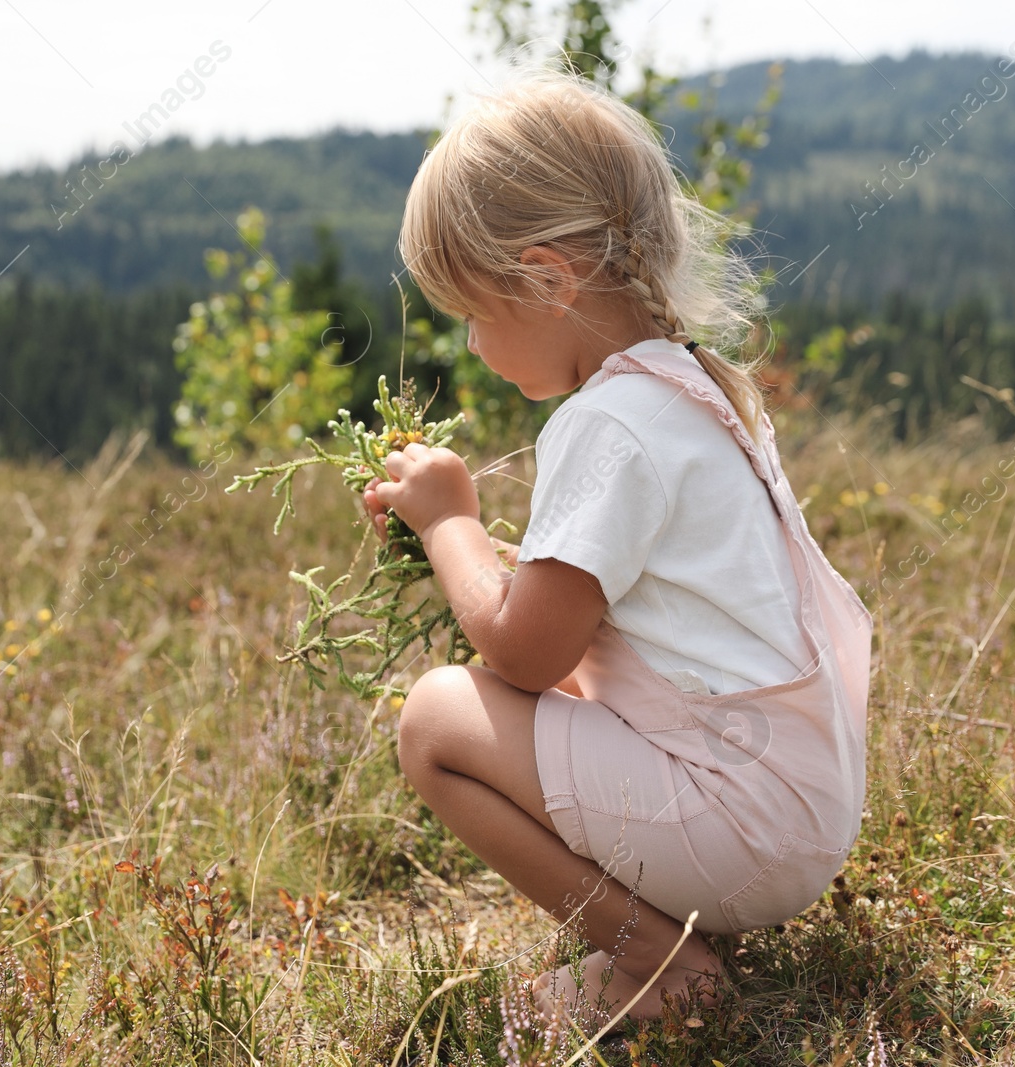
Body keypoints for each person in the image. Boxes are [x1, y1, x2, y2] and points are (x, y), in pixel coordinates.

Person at [364, 65, 872, 1032]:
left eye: (473, 313)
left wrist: (448, 525)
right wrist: (474, 548)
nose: (469, 345)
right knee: (526, 701)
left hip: (741, 826)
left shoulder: (608, 422)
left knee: (435, 721)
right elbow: (612, 599)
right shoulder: (690, 386)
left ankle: (657, 959)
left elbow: (523, 649)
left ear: (547, 281)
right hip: (795, 807)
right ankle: (670, 921)